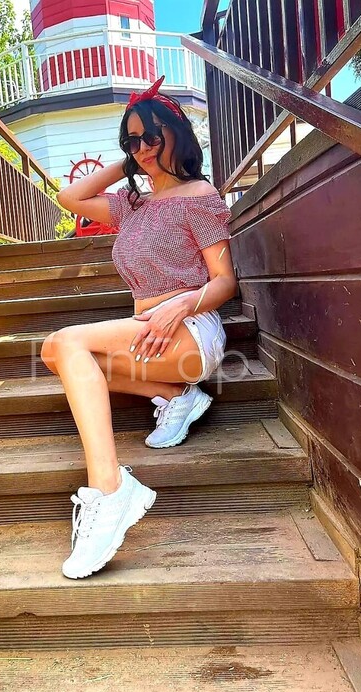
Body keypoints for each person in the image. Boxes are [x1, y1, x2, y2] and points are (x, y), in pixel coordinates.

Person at [41, 75, 237, 580]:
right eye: (132, 141)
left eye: (151, 136)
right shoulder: (132, 206)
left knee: (64, 343)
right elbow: (69, 197)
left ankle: (110, 490)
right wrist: (128, 163)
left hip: (190, 329)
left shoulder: (199, 195)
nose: (144, 147)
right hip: (145, 333)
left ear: (176, 133)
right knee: (58, 357)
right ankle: (176, 396)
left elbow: (224, 281)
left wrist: (182, 305)